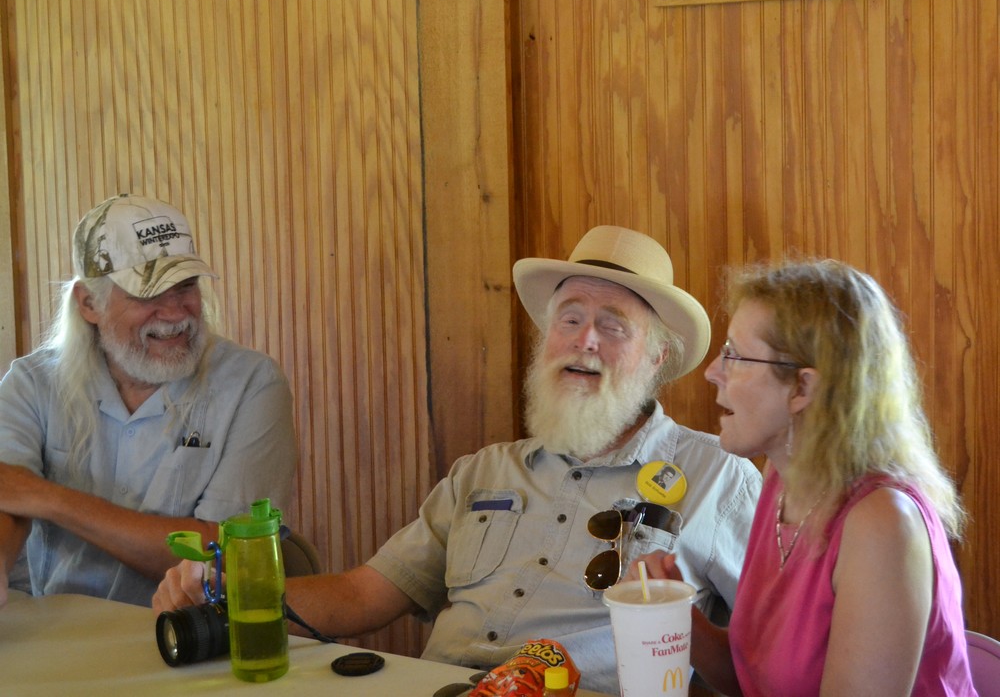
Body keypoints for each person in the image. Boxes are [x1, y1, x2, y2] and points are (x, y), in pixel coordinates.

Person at [153, 225, 761, 694]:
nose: (585, 340)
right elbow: (364, 594)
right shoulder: (483, 471)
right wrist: (231, 597)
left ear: (656, 358)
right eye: (570, 319)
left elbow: (764, 660)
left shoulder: (718, 477)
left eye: (614, 326)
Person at [633, 258, 978, 696]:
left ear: (803, 388)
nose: (712, 372)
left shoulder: (881, 524)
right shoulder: (781, 477)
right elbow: (754, 681)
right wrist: (675, 611)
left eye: (734, 355)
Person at [0, 194, 299, 609]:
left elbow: (227, 553)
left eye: (185, 286)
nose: (175, 313)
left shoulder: (252, 383)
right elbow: (9, 496)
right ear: (89, 303)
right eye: (147, 294)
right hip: (60, 629)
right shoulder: (32, 382)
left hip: (189, 632)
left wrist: (51, 500)